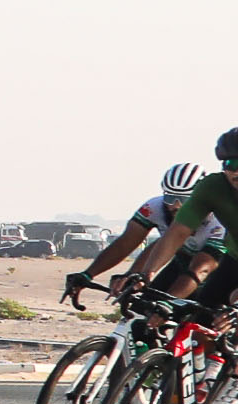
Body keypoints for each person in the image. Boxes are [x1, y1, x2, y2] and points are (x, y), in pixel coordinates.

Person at [96, 129, 238, 323]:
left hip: (214, 262)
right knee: (202, 324)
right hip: (233, 259)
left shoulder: (214, 225)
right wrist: (144, 275)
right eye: (230, 164)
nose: (236, 171)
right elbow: (175, 233)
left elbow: (201, 268)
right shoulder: (213, 187)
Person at [68, 163, 213, 308]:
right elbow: (125, 244)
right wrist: (88, 274)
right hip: (183, 263)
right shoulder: (155, 207)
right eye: (170, 197)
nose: (176, 205)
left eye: (184, 200)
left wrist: (167, 306)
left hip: (219, 271)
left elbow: (201, 268)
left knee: (200, 321)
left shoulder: (218, 219)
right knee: (141, 313)